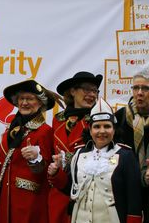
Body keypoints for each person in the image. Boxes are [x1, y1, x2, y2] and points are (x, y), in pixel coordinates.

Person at [0, 79, 55, 223]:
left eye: (30, 99)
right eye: (21, 98)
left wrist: (36, 158)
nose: (24, 102)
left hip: (30, 206)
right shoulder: (12, 131)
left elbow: (48, 171)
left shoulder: (45, 132)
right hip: (6, 203)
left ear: (40, 103)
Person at [49, 98, 142, 223]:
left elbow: (134, 198)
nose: (102, 131)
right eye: (97, 127)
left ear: (114, 130)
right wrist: (56, 174)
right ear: (90, 130)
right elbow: (71, 188)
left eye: (107, 126)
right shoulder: (79, 154)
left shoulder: (126, 156)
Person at [48, 71, 102, 223]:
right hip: (58, 193)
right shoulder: (58, 119)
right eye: (87, 89)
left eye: (94, 91)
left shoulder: (99, 120)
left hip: (86, 192)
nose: (91, 94)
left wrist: (67, 159)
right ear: (72, 91)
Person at [115, 69, 149, 222]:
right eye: (136, 88)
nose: (139, 93)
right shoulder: (120, 116)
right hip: (126, 187)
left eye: (145, 88)